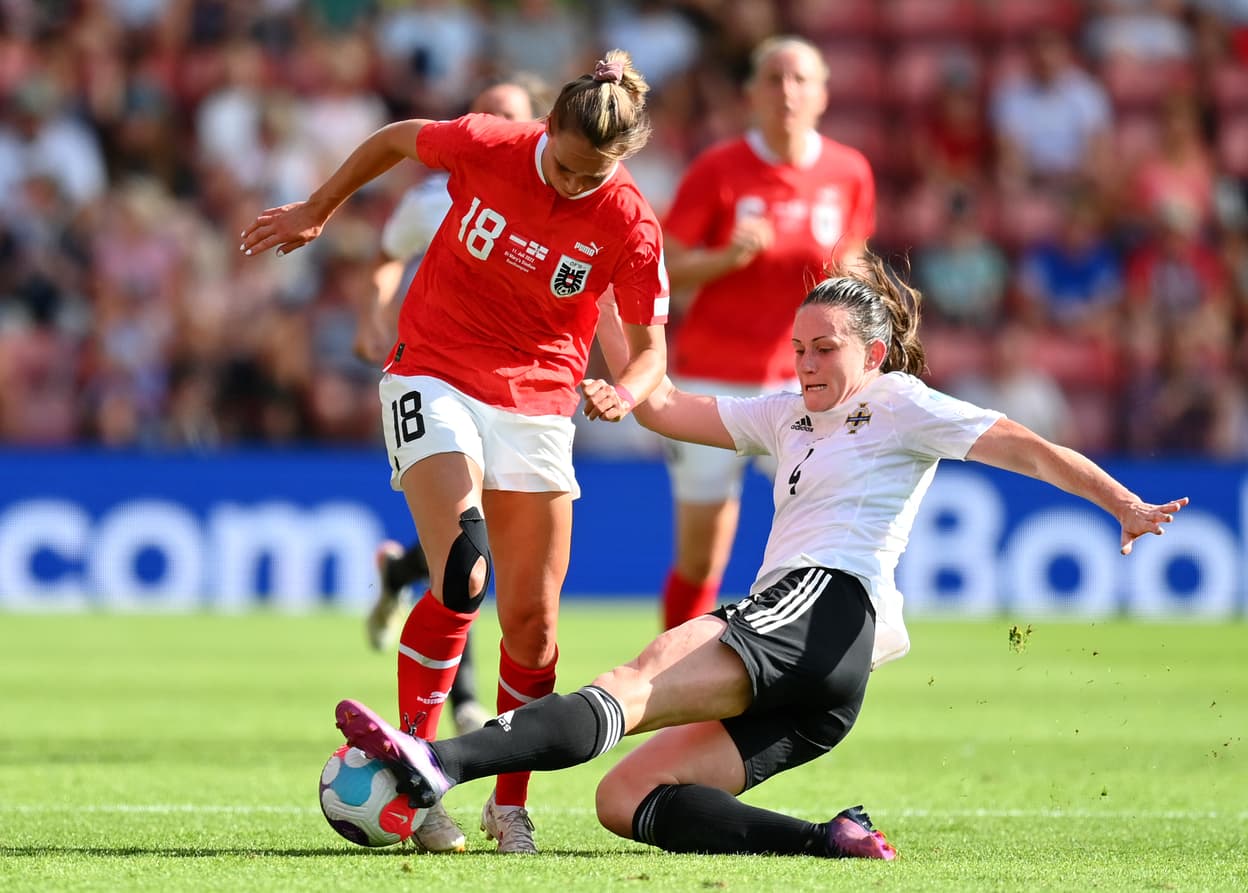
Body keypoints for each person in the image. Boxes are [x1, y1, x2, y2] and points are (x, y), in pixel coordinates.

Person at [331, 254, 1187, 859]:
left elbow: (1026, 447)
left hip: (822, 604)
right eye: (801, 347)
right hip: (827, 685)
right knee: (625, 800)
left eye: (827, 349)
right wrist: (604, 328)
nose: (808, 363)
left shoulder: (901, 403)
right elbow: (665, 406)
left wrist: (1121, 501)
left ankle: (437, 761)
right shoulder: (786, 413)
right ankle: (830, 839)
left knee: (635, 681)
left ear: (875, 355)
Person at [242, 50, 670, 855]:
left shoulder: (631, 223)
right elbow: (400, 137)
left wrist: (629, 391)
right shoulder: (490, 145)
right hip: (434, 367)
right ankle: (417, 772)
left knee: (536, 629)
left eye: (596, 176)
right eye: (570, 169)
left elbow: (651, 350)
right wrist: (319, 206)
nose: (578, 187)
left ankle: (509, 804)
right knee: (462, 570)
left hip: (541, 401)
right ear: (546, 131)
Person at [356, 76, 551, 745]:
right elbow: (387, 256)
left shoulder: (548, 199)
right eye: (488, 114)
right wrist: (375, 311)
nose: (499, 125)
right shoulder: (428, 198)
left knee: (475, 544)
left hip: (518, 393)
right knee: (467, 551)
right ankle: (456, 702)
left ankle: (396, 572)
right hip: (438, 373)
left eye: (513, 116)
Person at [657, 36, 875, 630]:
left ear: (823, 94)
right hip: (711, 377)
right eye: (774, 78)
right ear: (751, 93)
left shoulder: (848, 172)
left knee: (819, 538)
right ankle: (668, 681)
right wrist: (726, 258)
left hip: (803, 381)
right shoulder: (718, 168)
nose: (787, 90)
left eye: (800, 79)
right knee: (702, 557)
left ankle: (801, 668)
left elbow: (852, 260)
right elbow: (665, 264)